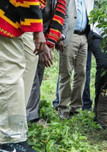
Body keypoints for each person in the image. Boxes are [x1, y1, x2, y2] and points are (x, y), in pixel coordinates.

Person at [0, 0, 45, 151]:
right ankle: (8, 140)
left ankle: (16, 125)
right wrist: (38, 30)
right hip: (7, 13)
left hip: (20, 15)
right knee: (11, 70)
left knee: (26, 62)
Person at [26, 0, 67, 123]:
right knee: (30, 76)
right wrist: (39, 38)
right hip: (29, 33)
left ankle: (31, 112)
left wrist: (51, 41)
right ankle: (30, 117)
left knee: (38, 74)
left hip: (44, 36)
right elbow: (30, 14)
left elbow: (60, 17)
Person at [56, 0, 93, 119]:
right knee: (66, 72)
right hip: (70, 37)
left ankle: (76, 107)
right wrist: (60, 36)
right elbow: (61, 15)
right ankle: (63, 107)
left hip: (84, 37)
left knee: (81, 73)